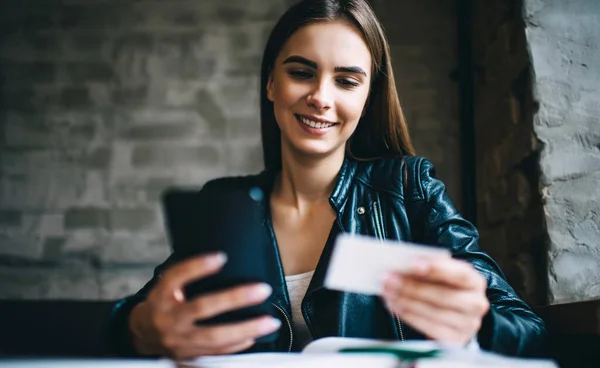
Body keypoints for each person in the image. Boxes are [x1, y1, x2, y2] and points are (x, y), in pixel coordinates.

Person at [109, 0, 547, 359]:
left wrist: (479, 322)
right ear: (271, 84)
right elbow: (139, 315)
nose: (320, 97)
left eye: (346, 81)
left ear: (368, 97)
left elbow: (528, 329)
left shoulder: (409, 189)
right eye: (301, 72)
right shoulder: (226, 203)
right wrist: (141, 328)